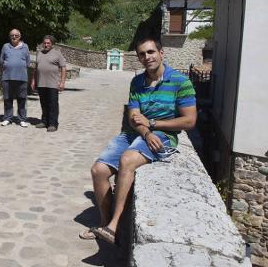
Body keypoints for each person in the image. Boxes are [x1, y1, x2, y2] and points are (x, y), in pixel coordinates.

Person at [83, 37, 197, 244]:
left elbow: (189, 121)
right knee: (98, 170)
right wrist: (146, 132)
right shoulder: (137, 82)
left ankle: (114, 225)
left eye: (151, 52)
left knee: (127, 161)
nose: (147, 57)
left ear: (161, 53)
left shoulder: (181, 82)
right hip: (137, 132)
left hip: (164, 135)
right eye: (142, 54)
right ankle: (103, 221)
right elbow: (133, 117)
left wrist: (152, 124)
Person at [31, 35, 67, 132]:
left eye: (48, 43)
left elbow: (63, 68)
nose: (46, 45)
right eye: (45, 43)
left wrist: (62, 82)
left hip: (52, 84)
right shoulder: (39, 53)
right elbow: (36, 68)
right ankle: (44, 121)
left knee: (53, 104)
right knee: (44, 103)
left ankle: (52, 124)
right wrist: (34, 81)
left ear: (52, 44)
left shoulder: (57, 54)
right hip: (41, 83)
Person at [0, 29, 30, 127]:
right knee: (8, 99)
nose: (14, 37)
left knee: (22, 99)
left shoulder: (25, 47)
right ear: (10, 36)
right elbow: (1, 60)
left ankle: (22, 119)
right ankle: (8, 118)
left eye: (16, 35)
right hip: (7, 77)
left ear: (20, 36)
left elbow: (28, 62)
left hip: (21, 78)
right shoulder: (5, 46)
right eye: (12, 35)